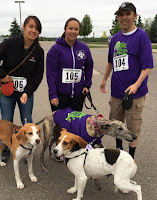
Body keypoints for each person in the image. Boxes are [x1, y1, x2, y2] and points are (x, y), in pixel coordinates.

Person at [100, 2, 153, 159]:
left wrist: (136, 85)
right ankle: (119, 153)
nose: (124, 17)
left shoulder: (142, 36)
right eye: (121, 14)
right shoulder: (115, 39)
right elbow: (111, 61)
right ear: (118, 17)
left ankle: (130, 158)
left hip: (134, 94)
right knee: (116, 125)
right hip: (117, 92)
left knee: (133, 127)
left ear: (135, 16)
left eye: (127, 14)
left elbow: (147, 66)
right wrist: (104, 80)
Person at [0, 16, 44, 162]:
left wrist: (27, 92)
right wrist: (1, 75)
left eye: (37, 28)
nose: (34, 30)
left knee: (27, 122)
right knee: (6, 122)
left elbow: (38, 76)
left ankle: (27, 147)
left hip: (26, 93)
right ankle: (7, 147)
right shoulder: (10, 43)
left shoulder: (38, 51)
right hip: (7, 91)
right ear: (24, 27)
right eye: (31, 26)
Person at [46, 17, 94, 112]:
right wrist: (53, 94)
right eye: (70, 28)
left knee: (75, 124)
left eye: (76, 29)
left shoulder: (84, 48)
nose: (73, 31)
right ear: (65, 29)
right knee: (60, 126)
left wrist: (87, 85)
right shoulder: (55, 49)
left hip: (78, 96)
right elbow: (51, 74)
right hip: (60, 96)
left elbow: (89, 67)